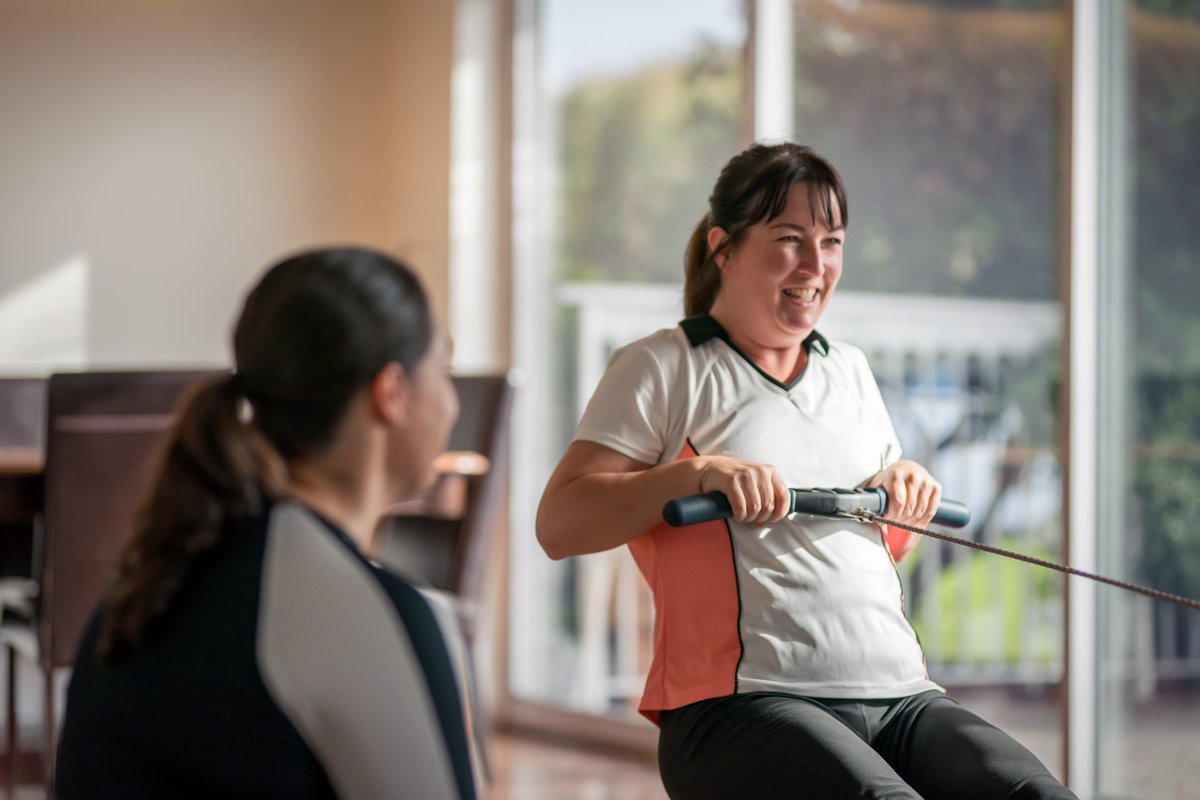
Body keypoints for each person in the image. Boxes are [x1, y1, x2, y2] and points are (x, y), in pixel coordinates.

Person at [536, 143, 1076, 799]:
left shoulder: (848, 369)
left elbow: (874, 548)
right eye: (790, 240)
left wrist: (902, 488)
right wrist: (693, 475)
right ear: (723, 248)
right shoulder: (665, 366)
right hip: (741, 704)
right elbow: (559, 524)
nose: (816, 266)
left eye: (832, 242)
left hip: (901, 695)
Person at [55, 247, 480, 799]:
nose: (451, 403)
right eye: (443, 369)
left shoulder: (149, 590)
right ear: (390, 393)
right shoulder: (360, 613)